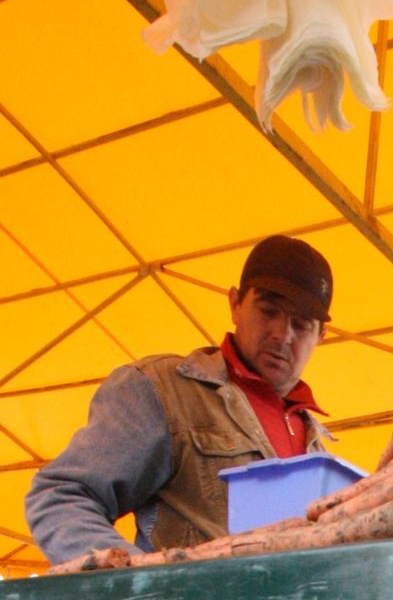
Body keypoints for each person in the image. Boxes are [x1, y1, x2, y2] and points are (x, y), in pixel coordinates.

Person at [26, 234, 333, 565]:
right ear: (234, 304)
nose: (281, 334)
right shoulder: (163, 391)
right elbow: (61, 494)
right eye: (268, 310)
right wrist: (139, 583)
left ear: (321, 337)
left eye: (301, 325)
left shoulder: (319, 448)